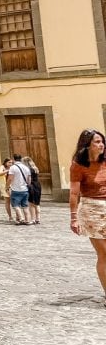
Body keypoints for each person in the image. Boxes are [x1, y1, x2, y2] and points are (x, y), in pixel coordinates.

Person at [69, 128, 106, 305]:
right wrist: (73, 217)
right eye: (97, 142)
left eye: (102, 141)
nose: (101, 145)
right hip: (92, 210)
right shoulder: (78, 165)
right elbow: (74, 194)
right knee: (104, 253)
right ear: (87, 145)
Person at [6, 153, 32, 225]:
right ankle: (28, 220)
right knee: (25, 206)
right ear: (20, 159)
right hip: (25, 189)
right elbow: (29, 179)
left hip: (16, 189)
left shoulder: (13, 167)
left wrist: (7, 186)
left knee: (15, 205)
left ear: (14, 159)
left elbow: (10, 178)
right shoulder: (26, 167)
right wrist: (27, 185)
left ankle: (21, 218)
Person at [22, 156, 42, 224]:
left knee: (31, 203)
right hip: (38, 185)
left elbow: (28, 179)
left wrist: (27, 185)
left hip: (32, 185)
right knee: (37, 203)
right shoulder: (35, 168)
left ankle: (33, 219)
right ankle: (38, 219)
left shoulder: (28, 169)